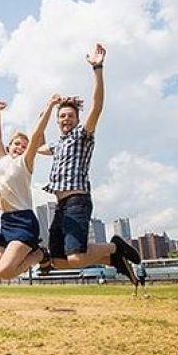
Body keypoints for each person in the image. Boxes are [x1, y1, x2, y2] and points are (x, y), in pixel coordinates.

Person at [39, 44, 141, 280]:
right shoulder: (58, 144)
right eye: (62, 116)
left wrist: (97, 68)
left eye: (70, 116)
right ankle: (114, 259)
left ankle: (115, 247)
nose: (66, 119)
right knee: (58, 261)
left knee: (75, 257)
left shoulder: (82, 135)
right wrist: (48, 108)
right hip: (60, 206)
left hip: (77, 201)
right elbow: (37, 145)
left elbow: (97, 106)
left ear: (77, 119)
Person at [0, 95, 60, 282]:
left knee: (5, 272)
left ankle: (40, 255)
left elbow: (36, 136)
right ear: (9, 146)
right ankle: (36, 253)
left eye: (24, 146)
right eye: (17, 144)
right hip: (7, 221)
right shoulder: (3, 159)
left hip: (24, 221)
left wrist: (49, 106)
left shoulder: (25, 164)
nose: (20, 147)